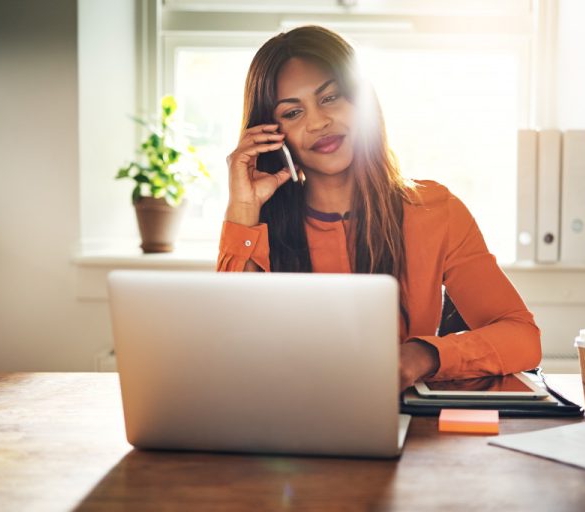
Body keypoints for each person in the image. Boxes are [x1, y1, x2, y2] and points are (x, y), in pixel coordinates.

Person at [217, 25, 541, 392]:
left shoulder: (436, 211)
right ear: (272, 133)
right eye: (292, 113)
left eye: (330, 97)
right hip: (287, 430)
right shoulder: (259, 228)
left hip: (404, 429)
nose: (318, 122)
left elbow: (522, 337)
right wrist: (242, 208)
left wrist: (424, 355)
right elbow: (230, 356)